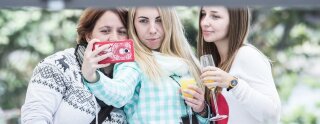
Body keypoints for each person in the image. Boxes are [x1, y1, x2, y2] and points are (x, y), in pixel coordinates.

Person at [82, 7, 210, 123]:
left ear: (171, 23)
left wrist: (202, 111)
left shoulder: (188, 64)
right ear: (133, 25)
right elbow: (119, 94)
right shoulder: (133, 62)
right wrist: (92, 77)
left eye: (159, 20)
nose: (152, 30)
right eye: (143, 21)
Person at [21, 8, 128, 124]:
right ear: (88, 36)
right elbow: (34, 117)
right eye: (105, 31)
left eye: (122, 32)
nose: (114, 38)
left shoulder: (132, 78)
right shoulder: (58, 65)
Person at [197, 6, 281, 124]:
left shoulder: (247, 55)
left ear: (234, 21)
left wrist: (233, 84)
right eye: (203, 14)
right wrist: (201, 110)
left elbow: (273, 115)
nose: (204, 22)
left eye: (215, 16)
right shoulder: (216, 61)